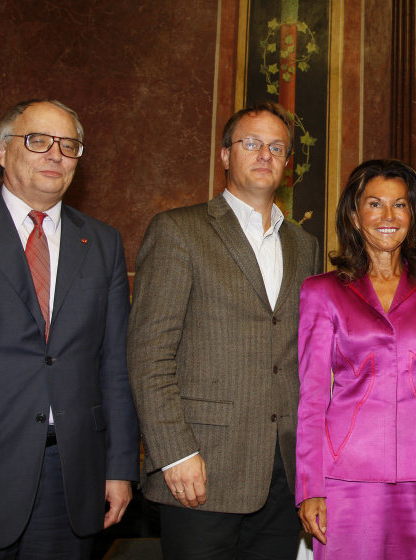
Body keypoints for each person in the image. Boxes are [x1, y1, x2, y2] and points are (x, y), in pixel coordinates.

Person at [127, 102, 321, 559]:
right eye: (250, 143)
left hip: (282, 473)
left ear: (288, 164)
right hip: (202, 468)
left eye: (277, 147)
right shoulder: (179, 230)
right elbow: (148, 354)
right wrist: (174, 453)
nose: (264, 155)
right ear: (224, 155)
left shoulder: (305, 246)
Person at [0, 99, 139, 559]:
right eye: (37, 141)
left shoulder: (102, 242)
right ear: (2, 151)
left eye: (68, 145)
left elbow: (115, 362)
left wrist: (120, 467)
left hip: (71, 477)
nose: (55, 155)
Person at [296, 158, 416, 559]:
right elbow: (310, 400)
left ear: (414, 215)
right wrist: (310, 488)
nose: (388, 215)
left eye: (401, 204)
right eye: (375, 203)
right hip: (344, 477)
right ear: (355, 215)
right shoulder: (322, 291)